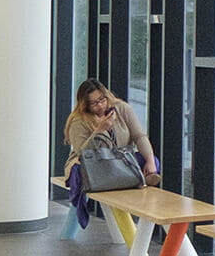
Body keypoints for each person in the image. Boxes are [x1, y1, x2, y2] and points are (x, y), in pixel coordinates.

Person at [63, 78, 162, 207]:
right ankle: (136, 178)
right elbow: (83, 153)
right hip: (94, 163)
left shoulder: (122, 109)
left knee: (152, 160)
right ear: (85, 105)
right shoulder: (78, 121)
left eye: (102, 99)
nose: (100, 105)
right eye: (94, 103)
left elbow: (139, 136)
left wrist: (149, 160)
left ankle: (140, 176)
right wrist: (99, 130)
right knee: (81, 172)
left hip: (119, 158)